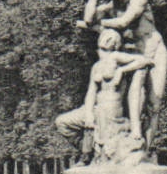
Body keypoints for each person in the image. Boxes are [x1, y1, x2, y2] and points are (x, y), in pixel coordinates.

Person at [80, 0, 167, 144]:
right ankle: (134, 136)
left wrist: (96, 24)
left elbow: (123, 22)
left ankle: (148, 150)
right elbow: (89, 18)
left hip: (153, 49)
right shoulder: (109, 7)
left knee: (154, 103)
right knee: (133, 91)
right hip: (133, 55)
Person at [55, 28, 155, 165]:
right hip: (96, 108)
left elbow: (144, 61)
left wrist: (121, 70)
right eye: (106, 36)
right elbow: (91, 92)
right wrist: (89, 113)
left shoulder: (116, 57)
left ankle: (88, 155)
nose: (107, 39)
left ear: (115, 43)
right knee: (62, 122)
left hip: (111, 108)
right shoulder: (96, 66)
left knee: (103, 130)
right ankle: (85, 151)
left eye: (111, 38)